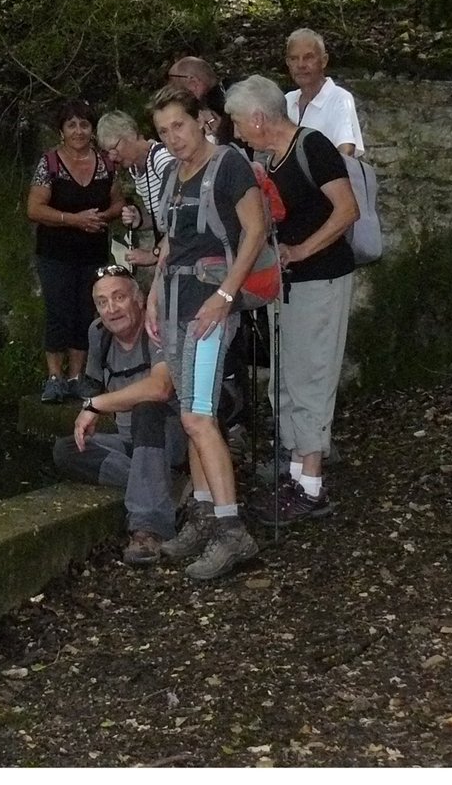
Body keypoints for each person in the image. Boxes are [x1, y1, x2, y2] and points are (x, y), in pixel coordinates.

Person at [225, 75, 357, 524]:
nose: (238, 132)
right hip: (290, 285)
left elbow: (346, 210)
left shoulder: (312, 146)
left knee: (312, 378)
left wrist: (300, 251)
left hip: (321, 280)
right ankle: (298, 474)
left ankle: (312, 488)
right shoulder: (273, 158)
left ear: (259, 118)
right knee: (285, 379)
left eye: (240, 123)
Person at [145, 85, 264, 580]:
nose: (173, 138)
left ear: (202, 120)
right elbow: (171, 240)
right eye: (163, 131)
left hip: (211, 308)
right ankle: (200, 513)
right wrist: (153, 290)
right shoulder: (174, 174)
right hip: (176, 305)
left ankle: (233, 531)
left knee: (197, 417)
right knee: (192, 413)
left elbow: (254, 232)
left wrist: (226, 297)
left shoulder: (229, 164)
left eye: (179, 125)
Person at [59, 265, 187, 565]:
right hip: (129, 441)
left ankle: (149, 529)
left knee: (146, 406)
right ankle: (165, 485)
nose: (111, 309)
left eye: (119, 297)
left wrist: (95, 405)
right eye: (102, 302)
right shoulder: (98, 335)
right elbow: (93, 382)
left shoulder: (157, 329)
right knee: (66, 450)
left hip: (169, 436)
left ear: (139, 300)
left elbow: (160, 388)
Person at [26, 99, 125, 403]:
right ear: (61, 130)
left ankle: (76, 376)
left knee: (86, 313)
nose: (79, 131)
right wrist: (74, 220)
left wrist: (100, 218)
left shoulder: (106, 164)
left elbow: (118, 203)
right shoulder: (51, 164)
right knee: (59, 312)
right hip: (55, 253)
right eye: (72, 125)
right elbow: (34, 208)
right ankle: (54, 377)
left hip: (92, 253)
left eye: (84, 124)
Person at [97, 110, 175, 270]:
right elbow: (162, 219)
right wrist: (139, 219)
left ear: (131, 134)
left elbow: (184, 217)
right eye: (107, 152)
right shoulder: (137, 170)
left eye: (114, 148)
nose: (112, 157)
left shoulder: (162, 160)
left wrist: (153, 254)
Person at [283, 28, 365, 157]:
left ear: (324, 60)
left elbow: (346, 151)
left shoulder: (339, 98)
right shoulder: (287, 100)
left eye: (308, 57)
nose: (300, 64)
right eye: (294, 59)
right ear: (287, 63)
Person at [166, 56, 237, 147]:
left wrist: (222, 132)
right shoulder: (232, 89)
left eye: (179, 91)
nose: (179, 100)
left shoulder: (222, 104)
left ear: (194, 84)